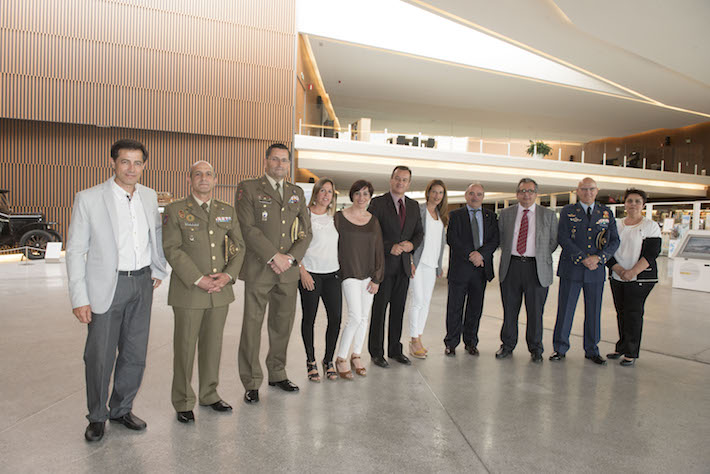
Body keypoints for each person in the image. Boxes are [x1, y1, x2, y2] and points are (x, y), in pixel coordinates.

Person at [66, 139, 168, 442]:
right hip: (106, 286)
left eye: (137, 163)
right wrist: (79, 296)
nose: (131, 168)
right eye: (125, 161)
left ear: (144, 166)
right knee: (99, 356)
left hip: (141, 283)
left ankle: (121, 409)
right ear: (114, 162)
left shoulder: (149, 197)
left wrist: (158, 268)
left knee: (135, 354)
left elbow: (155, 235)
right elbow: (75, 251)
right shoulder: (90, 198)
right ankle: (97, 416)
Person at [162, 161, 245, 423]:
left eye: (208, 174)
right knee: (185, 348)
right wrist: (198, 279)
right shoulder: (175, 210)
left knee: (213, 346)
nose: (203, 178)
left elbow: (239, 246)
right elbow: (172, 248)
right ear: (190, 180)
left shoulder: (226, 211)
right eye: (198, 174)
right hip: (189, 291)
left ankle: (209, 394)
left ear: (215, 179)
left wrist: (228, 275)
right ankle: (183, 400)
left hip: (219, 291)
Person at [236, 143, 312, 404]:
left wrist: (290, 258)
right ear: (266, 161)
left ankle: (277, 373)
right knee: (252, 327)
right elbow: (248, 228)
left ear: (289, 164)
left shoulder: (296, 192)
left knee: (282, 325)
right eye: (275, 159)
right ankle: (251, 381)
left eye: (284, 161)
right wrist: (274, 256)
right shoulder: (248, 188)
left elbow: (305, 232)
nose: (280, 164)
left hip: (287, 273)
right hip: (260, 269)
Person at [550, 177, 620, 365]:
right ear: (577, 191)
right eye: (584, 189)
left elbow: (614, 240)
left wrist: (599, 258)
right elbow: (563, 238)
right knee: (565, 310)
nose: (588, 192)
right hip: (571, 269)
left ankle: (592, 350)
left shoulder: (606, 213)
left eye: (591, 189)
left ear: (597, 191)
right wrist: (583, 257)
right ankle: (560, 348)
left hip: (595, 270)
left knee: (594, 312)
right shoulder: (568, 211)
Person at [496, 178, 558, 362]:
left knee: (535, 311)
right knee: (510, 310)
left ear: (536, 194)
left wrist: (538, 255)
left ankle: (536, 348)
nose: (526, 194)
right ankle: (507, 345)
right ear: (517, 194)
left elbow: (553, 242)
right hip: (511, 267)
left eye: (530, 191)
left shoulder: (548, 215)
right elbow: (500, 239)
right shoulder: (506, 214)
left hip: (536, 269)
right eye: (522, 191)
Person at [367, 166, 423, 368]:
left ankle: (394, 350)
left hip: (403, 268)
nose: (400, 183)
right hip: (383, 266)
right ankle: (376, 352)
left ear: (409, 183)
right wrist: (389, 247)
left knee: (398, 310)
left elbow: (419, 233)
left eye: (405, 180)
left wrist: (411, 245)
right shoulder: (378, 203)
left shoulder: (414, 206)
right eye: (397, 178)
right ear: (391, 180)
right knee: (380, 310)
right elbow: (371, 234)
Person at [334, 180, 385, 379]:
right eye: (358, 193)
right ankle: (341, 358)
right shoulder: (339, 217)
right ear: (352, 195)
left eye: (366, 194)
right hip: (349, 273)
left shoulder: (373, 221)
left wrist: (377, 278)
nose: (361, 197)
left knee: (364, 317)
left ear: (370, 197)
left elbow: (378, 250)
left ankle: (356, 355)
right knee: (355, 316)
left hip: (369, 275)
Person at [606, 188, 661, 366]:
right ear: (625, 203)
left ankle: (631, 352)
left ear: (643, 205)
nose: (633, 204)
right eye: (630, 201)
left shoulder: (650, 226)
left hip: (640, 279)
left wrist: (632, 272)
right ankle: (621, 347)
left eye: (637, 201)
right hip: (617, 275)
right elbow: (607, 249)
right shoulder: (616, 224)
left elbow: (652, 253)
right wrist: (619, 270)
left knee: (633, 313)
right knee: (621, 312)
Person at [444, 183, 499, 356]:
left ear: (483, 197)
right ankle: (451, 343)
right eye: (472, 193)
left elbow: (495, 240)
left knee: (475, 308)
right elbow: (452, 239)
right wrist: (471, 255)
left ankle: (471, 342)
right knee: (455, 308)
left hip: (480, 270)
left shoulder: (491, 216)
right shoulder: (455, 215)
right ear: (466, 195)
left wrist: (481, 255)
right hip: (460, 269)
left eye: (479, 194)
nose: (475, 197)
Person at [298, 178, 342, 382]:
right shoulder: (304, 216)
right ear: (316, 193)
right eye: (322, 191)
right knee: (310, 319)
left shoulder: (334, 218)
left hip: (332, 274)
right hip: (310, 274)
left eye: (329, 192)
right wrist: (302, 271)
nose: (326, 195)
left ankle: (328, 360)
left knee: (336, 319)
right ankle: (311, 361)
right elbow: (293, 244)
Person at [407, 179, 448, 358]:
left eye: (440, 193)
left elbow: (440, 243)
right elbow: (410, 235)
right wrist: (410, 260)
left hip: (431, 265)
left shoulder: (441, 216)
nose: (437, 196)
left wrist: (439, 265)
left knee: (425, 302)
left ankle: (419, 337)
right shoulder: (419, 210)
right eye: (434, 192)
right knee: (417, 300)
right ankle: (414, 339)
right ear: (428, 192)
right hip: (418, 263)